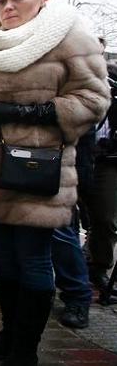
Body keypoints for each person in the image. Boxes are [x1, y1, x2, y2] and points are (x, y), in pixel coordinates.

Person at [0, 0, 110, 365]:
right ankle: (8, 334)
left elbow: (94, 99)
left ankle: (25, 349)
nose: (7, 7)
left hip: (37, 173)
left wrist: (30, 111)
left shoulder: (68, 37)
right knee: (3, 263)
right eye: (1, 0)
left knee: (34, 260)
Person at [84, 62, 117, 291]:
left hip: (107, 163)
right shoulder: (81, 89)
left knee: (104, 218)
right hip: (78, 158)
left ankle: (98, 266)